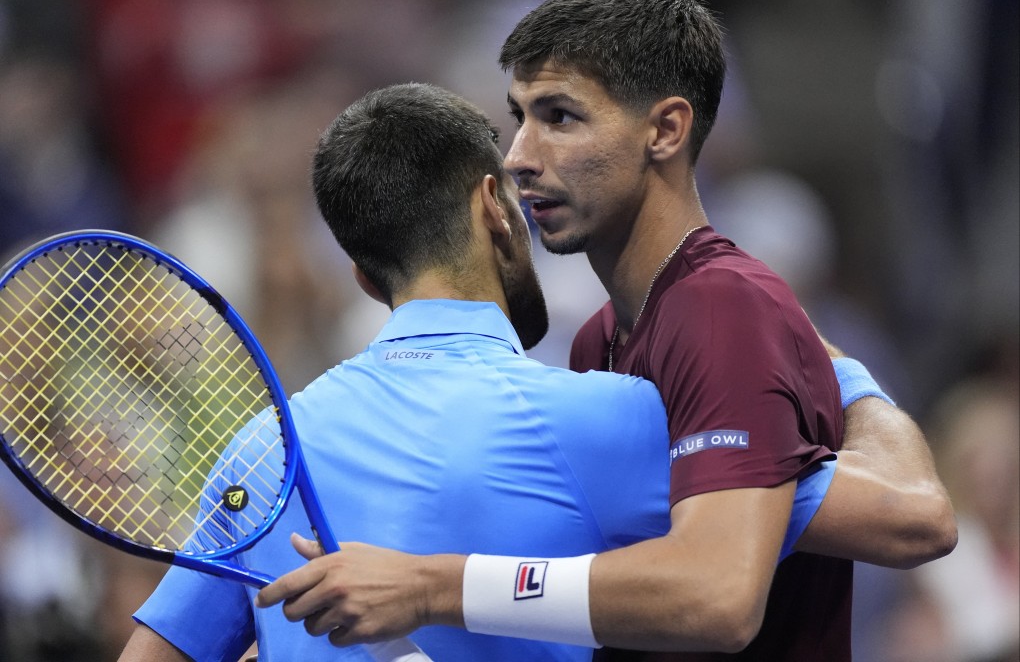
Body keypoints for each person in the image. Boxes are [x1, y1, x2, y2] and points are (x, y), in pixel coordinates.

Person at [255, 0, 957, 660]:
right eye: (520, 117)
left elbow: (719, 596)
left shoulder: (722, 308)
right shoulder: (601, 337)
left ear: (666, 129)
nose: (518, 157)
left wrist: (431, 586)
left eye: (560, 117)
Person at [117, 83, 836, 662]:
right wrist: (823, 364)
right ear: (494, 207)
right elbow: (907, 520)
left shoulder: (264, 448)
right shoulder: (606, 418)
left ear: (365, 278)